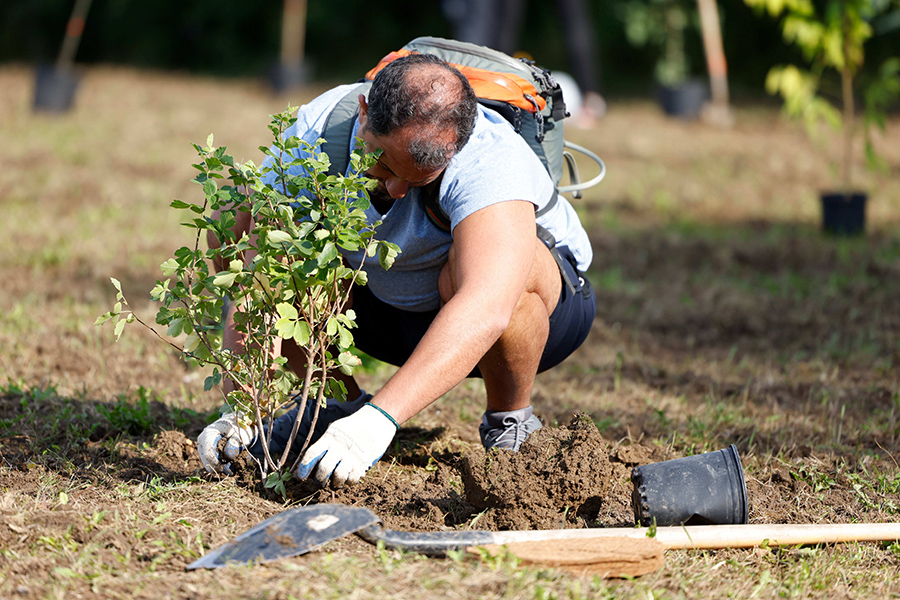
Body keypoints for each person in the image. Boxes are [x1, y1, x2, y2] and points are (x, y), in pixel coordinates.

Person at [197, 53, 596, 489]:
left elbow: (487, 306)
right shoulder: (317, 133)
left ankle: (509, 420)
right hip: (380, 305)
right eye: (385, 164)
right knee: (240, 210)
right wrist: (242, 405)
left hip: (523, 321)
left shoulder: (490, 159)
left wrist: (378, 423)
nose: (395, 189)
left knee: (509, 270)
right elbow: (264, 279)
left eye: (420, 179)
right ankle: (336, 404)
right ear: (365, 113)